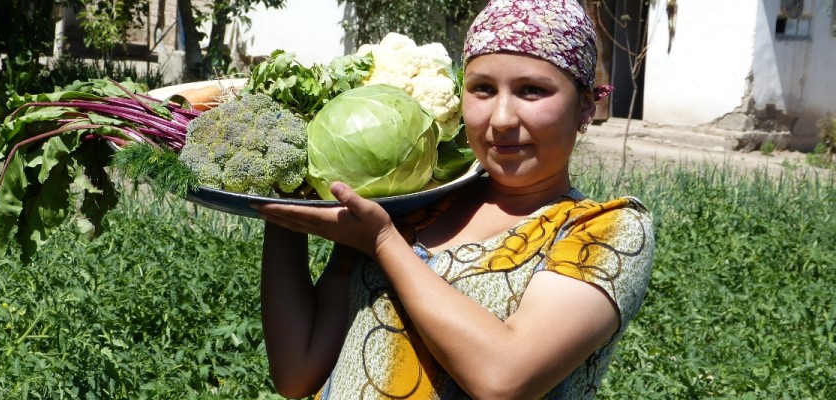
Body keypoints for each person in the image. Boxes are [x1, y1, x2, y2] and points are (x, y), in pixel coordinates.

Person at [253, 0, 654, 398]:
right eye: (482, 89)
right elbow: (297, 372)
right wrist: (280, 199)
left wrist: (383, 244)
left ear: (585, 105)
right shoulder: (413, 203)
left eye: (532, 91)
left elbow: (504, 380)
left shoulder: (605, 229)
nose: (501, 119)